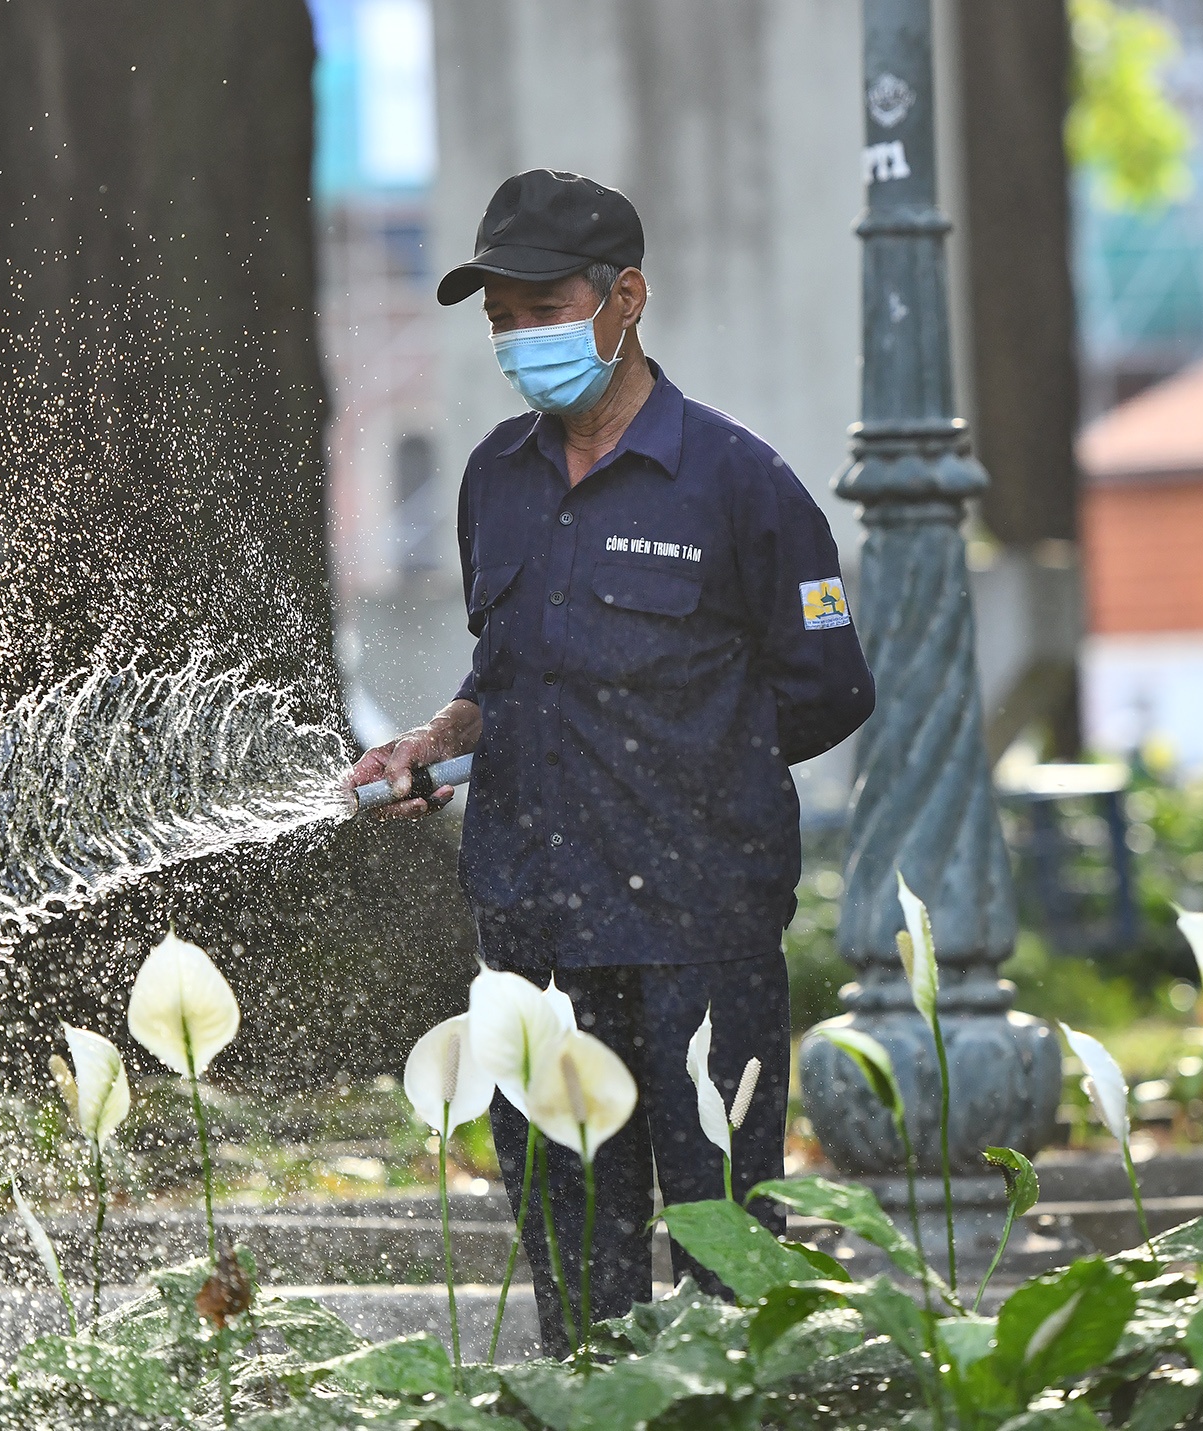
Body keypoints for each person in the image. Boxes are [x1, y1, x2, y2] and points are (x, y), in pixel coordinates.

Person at [343, 169, 875, 1355]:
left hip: (697, 935)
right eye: (499, 320)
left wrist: (691, 777)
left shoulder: (742, 485)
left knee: (727, 1258)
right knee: (572, 1277)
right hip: (532, 942)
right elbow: (510, 672)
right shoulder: (494, 478)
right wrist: (442, 739)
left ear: (623, 298)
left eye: (541, 308)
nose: (516, 338)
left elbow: (829, 687)